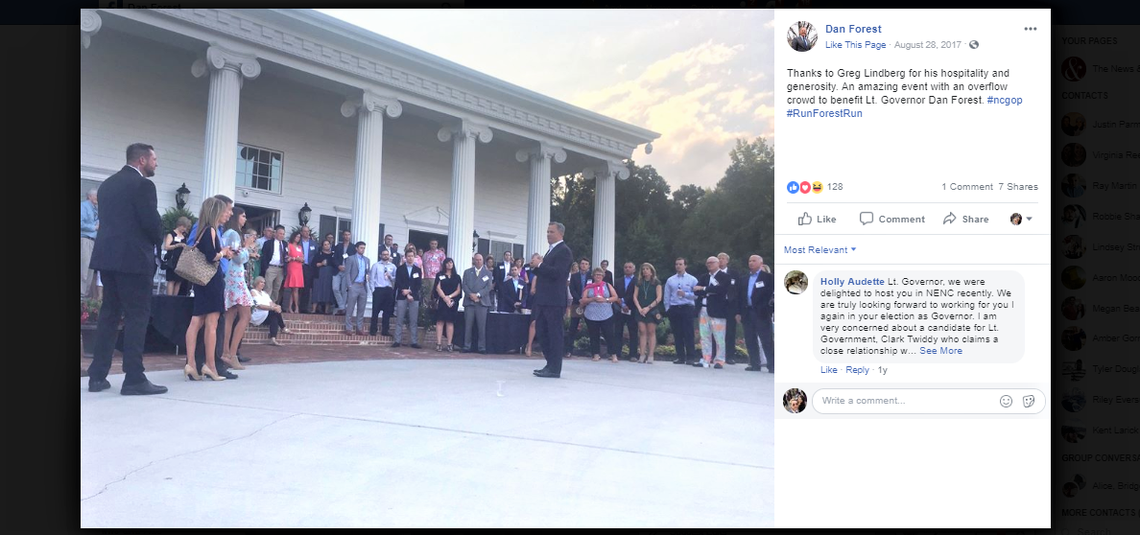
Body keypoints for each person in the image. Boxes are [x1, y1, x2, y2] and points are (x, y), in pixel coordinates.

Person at [86, 143, 167, 395]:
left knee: (109, 315)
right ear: (142, 160)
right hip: (133, 260)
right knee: (137, 316)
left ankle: (97, 376)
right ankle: (134, 378)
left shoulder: (107, 185)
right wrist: (161, 238)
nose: (156, 163)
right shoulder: (143, 185)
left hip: (107, 258)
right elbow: (150, 222)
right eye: (154, 159)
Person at [183, 197, 232, 381]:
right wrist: (223, 252)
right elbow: (212, 256)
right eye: (223, 210)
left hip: (201, 281)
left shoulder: (201, 230)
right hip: (212, 279)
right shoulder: (211, 230)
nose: (226, 214)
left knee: (196, 320)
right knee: (212, 324)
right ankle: (210, 366)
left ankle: (191, 363)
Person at [532, 222, 574, 378]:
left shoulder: (564, 251)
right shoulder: (551, 250)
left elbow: (558, 273)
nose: (548, 234)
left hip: (554, 300)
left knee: (554, 334)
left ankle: (555, 368)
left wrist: (540, 265)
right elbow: (545, 273)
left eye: (551, 232)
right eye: (547, 231)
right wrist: (535, 266)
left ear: (560, 233)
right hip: (543, 299)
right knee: (542, 332)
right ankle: (550, 363)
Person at [220, 211, 253, 371]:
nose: (245, 219)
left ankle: (225, 352)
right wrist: (247, 247)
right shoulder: (233, 234)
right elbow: (238, 257)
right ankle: (232, 354)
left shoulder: (227, 233)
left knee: (230, 314)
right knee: (246, 315)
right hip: (235, 278)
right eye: (243, 216)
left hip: (230, 276)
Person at [693, 256, 732, 369]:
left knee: (719, 337)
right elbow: (696, 290)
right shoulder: (704, 277)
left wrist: (704, 289)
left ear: (718, 263)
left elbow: (721, 290)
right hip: (703, 310)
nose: (709, 265)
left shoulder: (724, 276)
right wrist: (707, 290)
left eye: (711, 262)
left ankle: (719, 360)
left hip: (718, 311)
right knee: (705, 336)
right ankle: (706, 359)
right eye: (707, 263)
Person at [741, 255, 775, 372]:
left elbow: (772, 295)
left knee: (766, 340)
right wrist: (738, 312)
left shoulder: (768, 278)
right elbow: (740, 296)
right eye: (749, 261)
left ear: (761, 263)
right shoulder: (745, 278)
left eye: (754, 261)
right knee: (750, 339)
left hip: (762, 312)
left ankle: (772, 365)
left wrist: (769, 309)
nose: (751, 263)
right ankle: (755, 364)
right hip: (747, 312)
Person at [664, 257, 699, 365]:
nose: (678, 266)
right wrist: (668, 309)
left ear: (685, 266)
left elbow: (697, 295)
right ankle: (680, 357)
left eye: (680, 264)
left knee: (688, 333)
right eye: (676, 264)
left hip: (687, 307)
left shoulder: (692, 279)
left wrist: (685, 294)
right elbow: (667, 296)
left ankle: (691, 357)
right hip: (674, 308)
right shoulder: (670, 280)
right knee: (677, 333)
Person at [582, 267, 621, 363]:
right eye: (596, 275)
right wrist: (593, 299)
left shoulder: (607, 285)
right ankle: (595, 354)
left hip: (606, 313)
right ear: (593, 276)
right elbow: (583, 299)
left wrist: (605, 300)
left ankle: (613, 354)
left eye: (600, 275)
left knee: (609, 334)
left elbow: (615, 297)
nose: (598, 276)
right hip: (591, 314)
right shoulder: (589, 287)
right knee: (593, 335)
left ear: (603, 276)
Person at [631, 262, 663, 364]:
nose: (645, 271)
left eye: (647, 269)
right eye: (643, 269)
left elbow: (659, 298)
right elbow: (635, 296)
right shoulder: (639, 282)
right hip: (640, 310)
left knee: (651, 332)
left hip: (651, 310)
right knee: (642, 331)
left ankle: (651, 355)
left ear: (651, 271)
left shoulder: (656, 282)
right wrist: (640, 308)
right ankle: (642, 354)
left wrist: (648, 308)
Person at [462, 253, 493, 354]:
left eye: (480, 260)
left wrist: (478, 295)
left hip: (482, 303)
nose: (478, 261)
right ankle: (466, 346)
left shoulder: (488, 273)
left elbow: (488, 287)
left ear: (483, 261)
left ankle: (481, 347)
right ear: (473, 260)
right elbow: (464, 285)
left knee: (481, 326)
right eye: (476, 260)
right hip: (469, 302)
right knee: (468, 326)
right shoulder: (467, 272)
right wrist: (471, 295)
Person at [392, 249, 423, 348]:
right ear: (405, 257)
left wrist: (410, 292)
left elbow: (418, 285)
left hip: (414, 297)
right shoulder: (400, 269)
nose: (410, 258)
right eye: (408, 256)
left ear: (414, 257)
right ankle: (397, 340)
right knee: (399, 319)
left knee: (413, 320)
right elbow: (398, 282)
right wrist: (405, 292)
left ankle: (414, 341)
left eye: (412, 256)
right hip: (402, 296)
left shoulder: (417, 270)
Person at [249, 276, 292, 345]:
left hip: (266, 314)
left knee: (274, 317)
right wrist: (273, 308)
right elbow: (259, 306)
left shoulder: (264, 293)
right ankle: (283, 328)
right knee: (274, 312)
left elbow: (271, 303)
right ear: (257, 283)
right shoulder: (253, 292)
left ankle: (273, 338)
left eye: (264, 283)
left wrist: (277, 306)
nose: (263, 284)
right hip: (257, 314)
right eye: (261, 282)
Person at [717, 252, 742, 365]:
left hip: (731, 306)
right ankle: (717, 355)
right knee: (717, 331)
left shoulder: (734, 274)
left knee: (730, 331)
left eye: (723, 258)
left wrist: (738, 310)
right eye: (719, 258)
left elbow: (738, 291)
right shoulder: (714, 273)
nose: (721, 260)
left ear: (727, 261)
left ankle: (730, 356)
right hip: (718, 306)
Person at [432, 257, 461, 351]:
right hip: (442, 302)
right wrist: (445, 298)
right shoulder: (440, 275)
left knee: (450, 322)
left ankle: (449, 344)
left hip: (452, 302)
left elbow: (458, 290)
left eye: (451, 263)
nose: (449, 264)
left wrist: (449, 297)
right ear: (444, 264)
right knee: (440, 321)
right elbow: (438, 288)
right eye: (447, 263)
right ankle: (438, 343)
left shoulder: (457, 277)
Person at [343, 241, 370, 336]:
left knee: (361, 308)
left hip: (363, 286)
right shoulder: (351, 259)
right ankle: (348, 328)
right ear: (356, 248)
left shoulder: (367, 260)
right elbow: (347, 273)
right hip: (354, 285)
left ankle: (359, 328)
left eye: (364, 248)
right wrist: (349, 285)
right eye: (361, 248)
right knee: (350, 307)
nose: (363, 250)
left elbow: (367, 272)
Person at [614, 261, 640, 361]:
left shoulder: (638, 281)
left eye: (630, 267)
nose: (627, 269)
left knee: (633, 332)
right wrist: (622, 304)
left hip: (632, 308)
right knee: (618, 331)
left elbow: (635, 294)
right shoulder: (618, 281)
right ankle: (617, 353)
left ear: (634, 269)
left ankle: (633, 354)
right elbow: (615, 294)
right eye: (625, 267)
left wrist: (625, 302)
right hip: (619, 309)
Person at [368, 248, 397, 336]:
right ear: (380, 255)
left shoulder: (393, 266)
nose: (385, 256)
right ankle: (373, 330)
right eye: (384, 254)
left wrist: (390, 276)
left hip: (388, 289)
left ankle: (385, 330)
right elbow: (371, 279)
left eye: (387, 254)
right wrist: (373, 290)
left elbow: (396, 279)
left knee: (387, 312)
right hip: (378, 289)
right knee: (375, 311)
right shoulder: (376, 265)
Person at [566, 257, 591, 354]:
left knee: (591, 326)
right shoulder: (574, 276)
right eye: (582, 263)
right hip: (577, 303)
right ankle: (569, 350)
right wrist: (580, 299)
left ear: (588, 266)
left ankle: (592, 350)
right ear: (580, 265)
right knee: (573, 327)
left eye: (586, 264)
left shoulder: (591, 276)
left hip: (589, 304)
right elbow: (572, 290)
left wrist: (586, 300)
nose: (584, 265)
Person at [260, 225, 288, 305]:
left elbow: (286, 254)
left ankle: (272, 305)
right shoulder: (268, 243)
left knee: (277, 288)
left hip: (280, 268)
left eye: (283, 234)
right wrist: (266, 268)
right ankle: (265, 305)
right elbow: (264, 256)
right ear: (275, 234)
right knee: (268, 287)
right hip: (271, 267)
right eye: (280, 233)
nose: (282, 235)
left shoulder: (285, 244)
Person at [162, 216, 190, 296]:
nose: (184, 229)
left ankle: (175, 298)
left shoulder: (184, 236)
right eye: (183, 227)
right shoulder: (171, 234)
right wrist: (177, 245)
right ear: (179, 225)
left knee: (179, 281)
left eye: (185, 227)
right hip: (172, 260)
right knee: (171, 280)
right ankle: (170, 298)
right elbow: (166, 246)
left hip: (181, 261)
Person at [80, 188, 100, 299]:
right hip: (85, 240)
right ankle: (81, 294)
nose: (98, 198)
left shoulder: (96, 209)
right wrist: (94, 227)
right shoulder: (83, 206)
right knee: (84, 268)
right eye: (96, 196)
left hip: (93, 241)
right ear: (90, 196)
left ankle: (85, 296)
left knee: (90, 270)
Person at [331, 229, 353, 316]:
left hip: (347, 271)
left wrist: (348, 267)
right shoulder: (338, 246)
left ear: (350, 236)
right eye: (345, 234)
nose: (347, 236)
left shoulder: (353, 247)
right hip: (337, 270)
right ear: (343, 236)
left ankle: (342, 309)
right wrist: (338, 266)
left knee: (344, 290)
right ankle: (342, 306)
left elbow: (354, 260)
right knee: (335, 288)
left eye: (348, 234)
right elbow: (334, 258)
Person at [282, 231, 306, 314]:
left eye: (299, 237)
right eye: (297, 236)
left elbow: (303, 258)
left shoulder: (299, 247)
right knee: (294, 288)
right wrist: (295, 258)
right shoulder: (289, 245)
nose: (298, 238)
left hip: (299, 268)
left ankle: (290, 307)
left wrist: (301, 259)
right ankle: (296, 307)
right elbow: (286, 257)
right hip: (292, 267)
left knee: (295, 288)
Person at [524, 253, 542, 357]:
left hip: (547, 302)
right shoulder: (536, 277)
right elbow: (532, 291)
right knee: (534, 323)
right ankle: (529, 346)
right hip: (537, 301)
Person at [312, 240, 336, 314]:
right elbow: (314, 264)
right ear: (322, 246)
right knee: (317, 291)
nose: (327, 246)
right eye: (325, 244)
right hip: (319, 274)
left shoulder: (333, 255)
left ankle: (326, 310)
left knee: (328, 291)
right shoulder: (318, 254)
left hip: (329, 275)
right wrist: (321, 264)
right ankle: (313, 310)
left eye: (328, 244)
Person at [298, 225, 318, 313]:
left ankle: (304, 307)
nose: (306, 233)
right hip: (299, 266)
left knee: (306, 288)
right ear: (301, 232)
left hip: (309, 268)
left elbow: (316, 255)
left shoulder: (314, 243)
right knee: (297, 287)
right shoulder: (298, 242)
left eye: (308, 231)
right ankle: (295, 306)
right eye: (305, 231)